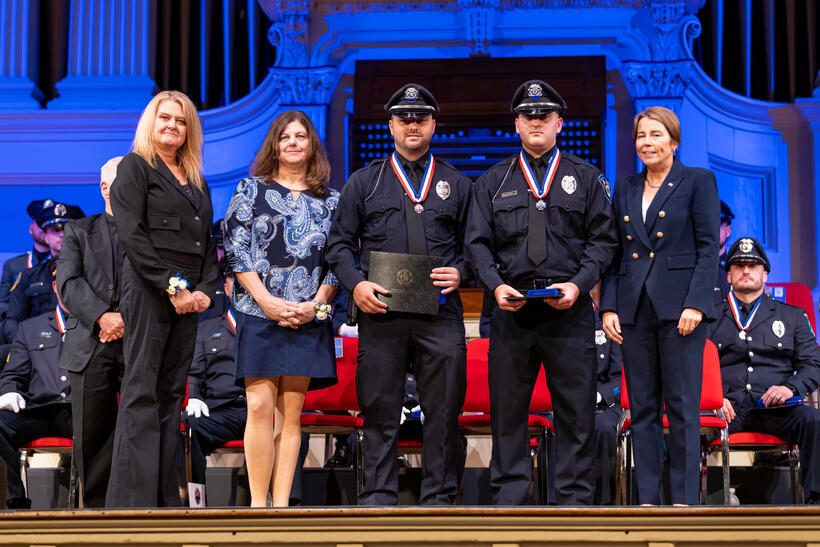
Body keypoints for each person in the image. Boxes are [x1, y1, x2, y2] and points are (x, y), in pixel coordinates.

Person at [465, 80, 616, 505]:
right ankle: (510, 499)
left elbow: (603, 242)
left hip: (568, 310)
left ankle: (573, 501)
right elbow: (476, 244)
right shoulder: (492, 181)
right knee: (508, 412)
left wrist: (579, 285)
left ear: (559, 124)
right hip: (511, 313)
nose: (535, 121)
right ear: (516, 123)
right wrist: (494, 287)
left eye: (544, 116)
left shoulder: (585, 178)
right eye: (528, 116)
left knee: (575, 412)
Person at [327, 83, 472, 506]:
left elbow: (477, 246)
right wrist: (357, 283)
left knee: (443, 413)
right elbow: (338, 246)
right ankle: (377, 499)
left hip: (440, 315)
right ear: (390, 124)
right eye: (404, 118)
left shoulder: (456, 183)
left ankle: (440, 500)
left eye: (421, 118)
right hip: (381, 312)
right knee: (380, 410)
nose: (413, 125)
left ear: (433, 125)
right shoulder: (364, 182)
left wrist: (461, 271)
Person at [600, 106, 720, 505]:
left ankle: (684, 501)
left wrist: (697, 304)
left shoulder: (698, 181)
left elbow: (708, 250)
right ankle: (648, 500)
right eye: (640, 136)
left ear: (674, 140)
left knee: (681, 408)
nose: (646, 143)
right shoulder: (627, 187)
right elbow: (617, 255)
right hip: (635, 310)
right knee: (644, 409)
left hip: (682, 311)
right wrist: (610, 307)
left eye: (655, 135)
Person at [106, 90, 219, 508]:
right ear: (150, 124)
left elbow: (207, 243)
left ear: (190, 129)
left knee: (173, 394)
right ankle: (131, 504)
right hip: (151, 291)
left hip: (189, 298)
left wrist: (205, 290)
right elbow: (133, 236)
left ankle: (163, 499)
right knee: (141, 391)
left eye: (181, 120)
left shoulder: (198, 180)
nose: (172, 125)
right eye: (164, 118)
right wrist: (174, 288)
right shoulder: (135, 168)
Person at [224, 110, 339, 507]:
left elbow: (338, 262)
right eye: (285, 136)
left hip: (308, 319)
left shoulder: (332, 202)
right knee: (258, 404)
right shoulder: (249, 190)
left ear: (312, 146)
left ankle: (282, 505)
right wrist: (268, 302)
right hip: (259, 314)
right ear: (274, 144)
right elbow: (235, 251)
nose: (292, 142)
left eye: (300, 137)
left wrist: (316, 304)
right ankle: (258, 505)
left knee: (292, 413)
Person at [709, 237, 820, 504]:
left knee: (813, 420)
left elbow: (813, 364)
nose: (746, 271)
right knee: (683, 424)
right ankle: (692, 503)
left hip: (774, 409)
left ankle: (815, 502)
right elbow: (692, 367)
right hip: (726, 408)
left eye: (753, 265)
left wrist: (790, 388)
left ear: (765, 273)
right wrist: (711, 398)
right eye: (738, 265)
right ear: (729, 274)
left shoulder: (791, 316)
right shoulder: (709, 316)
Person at [55, 156, 125, 507]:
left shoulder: (147, 236)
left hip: (136, 343)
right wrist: (103, 317)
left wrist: (124, 319)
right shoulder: (78, 230)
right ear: (105, 187)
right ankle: (97, 514)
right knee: (92, 435)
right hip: (89, 344)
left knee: (136, 433)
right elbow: (69, 283)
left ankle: (136, 510)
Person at [0, 272, 72, 509]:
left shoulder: (100, 325)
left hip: (80, 410)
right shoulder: (30, 328)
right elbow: (13, 375)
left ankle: (98, 502)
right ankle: (14, 502)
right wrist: (9, 391)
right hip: (39, 410)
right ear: (54, 285)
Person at [185, 263, 246, 489]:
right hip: (221, 411)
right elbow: (195, 371)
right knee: (189, 427)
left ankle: (287, 505)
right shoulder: (207, 328)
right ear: (227, 287)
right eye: (235, 281)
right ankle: (195, 500)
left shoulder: (268, 328)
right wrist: (193, 396)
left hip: (259, 410)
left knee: (295, 431)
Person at [3, 203, 85, 342]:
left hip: (83, 342)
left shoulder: (94, 273)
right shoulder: (29, 277)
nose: (61, 234)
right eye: (55, 229)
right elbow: (13, 320)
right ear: (46, 237)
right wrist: (28, 344)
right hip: (38, 344)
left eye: (67, 228)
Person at [0, 199, 57, 328]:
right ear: (31, 228)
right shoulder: (14, 266)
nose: (44, 227)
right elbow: (2, 303)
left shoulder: (63, 262)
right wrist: (17, 316)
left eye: (49, 223)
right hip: (22, 327)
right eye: (40, 222)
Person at [714, 200, 734, 302]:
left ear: (728, 230)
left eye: (718, 224)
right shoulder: (688, 268)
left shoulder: (737, 268)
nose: (712, 229)